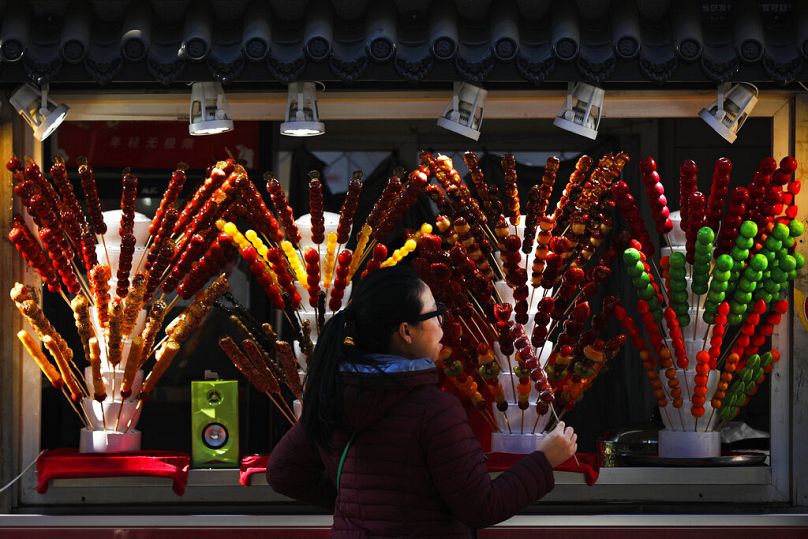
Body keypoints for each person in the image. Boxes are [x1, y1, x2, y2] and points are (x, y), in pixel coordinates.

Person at [268, 265, 577, 538]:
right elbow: (482, 507)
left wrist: (360, 504)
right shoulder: (434, 410)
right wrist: (544, 459)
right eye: (434, 313)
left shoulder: (333, 392)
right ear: (406, 331)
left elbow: (283, 472)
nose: (442, 324)